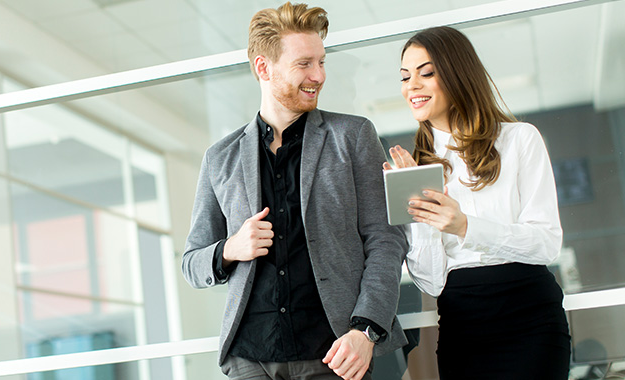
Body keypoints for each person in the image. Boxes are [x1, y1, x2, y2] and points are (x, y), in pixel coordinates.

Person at [182, 2, 408, 380]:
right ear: (263, 67)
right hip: (250, 359)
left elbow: (386, 240)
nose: (318, 75)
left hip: (334, 354)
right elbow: (191, 262)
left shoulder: (352, 137)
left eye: (321, 62)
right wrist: (230, 249)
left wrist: (366, 330)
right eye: (304, 63)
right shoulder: (220, 158)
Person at [385, 26, 571, 379]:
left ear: (457, 73)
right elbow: (431, 282)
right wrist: (424, 215)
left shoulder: (519, 140)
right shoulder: (417, 167)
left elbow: (547, 244)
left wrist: (465, 226)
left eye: (426, 73)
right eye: (405, 77)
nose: (412, 86)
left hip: (530, 316)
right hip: (462, 323)